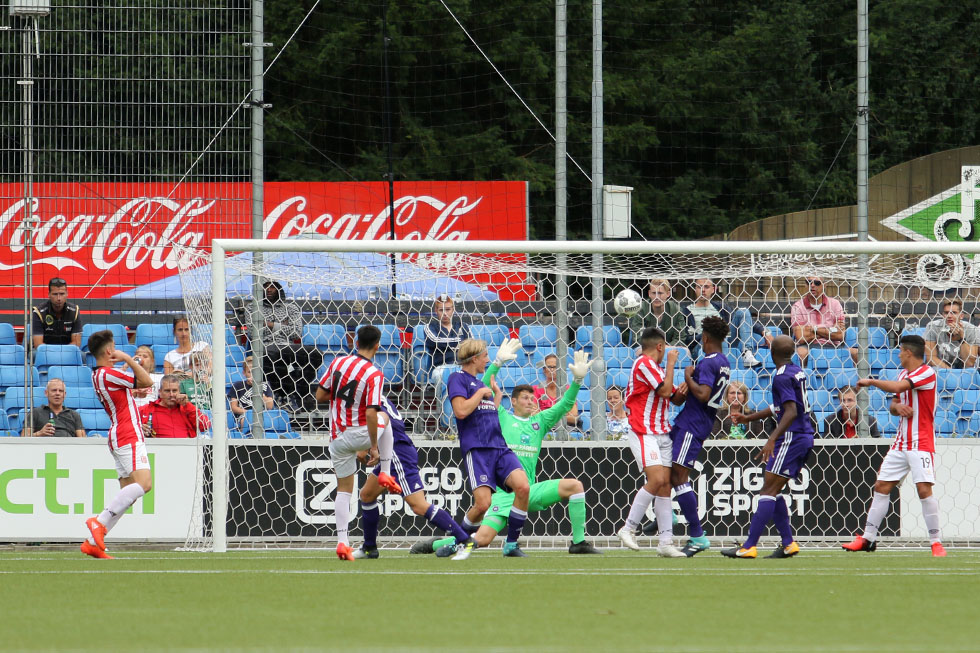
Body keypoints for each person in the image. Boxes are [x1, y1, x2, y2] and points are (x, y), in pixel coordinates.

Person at [429, 352, 601, 556]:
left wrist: (578, 381)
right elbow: (481, 386)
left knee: (575, 486)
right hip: (502, 496)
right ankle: (438, 544)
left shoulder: (541, 422)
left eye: (532, 398)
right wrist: (497, 364)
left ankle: (579, 542)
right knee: (483, 539)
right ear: (513, 402)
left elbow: (564, 406)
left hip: (528, 490)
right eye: (525, 398)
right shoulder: (499, 416)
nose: (530, 401)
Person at [842, 335, 947, 557]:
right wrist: (897, 408)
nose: (898, 355)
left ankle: (936, 543)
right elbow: (894, 403)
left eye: (900, 351)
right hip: (901, 442)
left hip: (921, 443)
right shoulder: (903, 373)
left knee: (923, 489)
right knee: (881, 486)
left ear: (909, 353)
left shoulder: (926, 373)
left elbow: (899, 387)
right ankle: (868, 539)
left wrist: (871, 381)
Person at [721, 335, 814, 559]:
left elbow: (790, 411)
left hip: (792, 437)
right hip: (802, 435)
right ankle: (788, 543)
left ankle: (749, 546)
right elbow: (780, 407)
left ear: (771, 352)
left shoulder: (781, 377)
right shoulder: (795, 371)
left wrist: (772, 438)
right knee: (774, 490)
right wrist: (749, 418)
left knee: (767, 491)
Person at [314, 325, 401, 561]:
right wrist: (373, 446)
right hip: (360, 431)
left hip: (337, 438)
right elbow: (372, 413)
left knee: (344, 490)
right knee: (386, 418)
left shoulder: (338, 363)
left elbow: (320, 396)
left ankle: (342, 542)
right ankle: (384, 472)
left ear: (355, 341)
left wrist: (340, 396)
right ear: (377, 345)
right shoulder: (374, 374)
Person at [355, 395, 475, 559]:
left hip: (397, 455)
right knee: (367, 495)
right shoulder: (375, 395)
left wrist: (365, 446)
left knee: (419, 505)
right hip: (393, 453)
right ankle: (369, 548)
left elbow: (379, 421)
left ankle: (464, 539)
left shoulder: (369, 398)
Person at [447, 337, 532, 557]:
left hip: (499, 447)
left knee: (523, 487)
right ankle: (459, 541)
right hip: (479, 450)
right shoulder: (457, 379)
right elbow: (461, 412)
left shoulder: (481, 384)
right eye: (485, 356)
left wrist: (497, 398)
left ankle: (511, 545)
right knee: (483, 505)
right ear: (474, 358)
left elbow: (484, 415)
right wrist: (479, 394)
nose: (487, 360)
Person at [81, 329, 153, 560]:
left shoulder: (99, 374)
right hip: (127, 433)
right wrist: (129, 359)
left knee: (127, 495)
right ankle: (98, 522)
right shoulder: (108, 374)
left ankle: (93, 543)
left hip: (118, 434)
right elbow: (148, 381)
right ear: (110, 351)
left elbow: (134, 386)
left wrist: (125, 371)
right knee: (144, 484)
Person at [616, 326, 688, 557]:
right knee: (657, 479)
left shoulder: (654, 369)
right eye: (665, 347)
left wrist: (686, 385)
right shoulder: (643, 364)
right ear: (660, 346)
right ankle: (628, 528)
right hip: (643, 430)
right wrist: (671, 363)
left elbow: (674, 398)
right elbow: (666, 391)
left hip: (662, 432)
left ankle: (665, 542)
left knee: (665, 485)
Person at [670, 316, 733, 556]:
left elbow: (704, 394)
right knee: (666, 470)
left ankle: (697, 535)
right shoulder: (724, 361)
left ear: (705, 337)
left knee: (678, 475)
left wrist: (687, 375)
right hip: (695, 421)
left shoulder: (707, 362)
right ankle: (668, 515)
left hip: (693, 424)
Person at [681, 278, 772, 368]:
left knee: (743, 312)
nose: (703, 290)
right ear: (695, 289)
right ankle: (722, 368)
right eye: (699, 287)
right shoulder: (687, 311)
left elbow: (744, 322)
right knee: (718, 334)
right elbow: (687, 340)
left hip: (726, 340)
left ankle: (747, 354)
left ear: (713, 289)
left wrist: (764, 331)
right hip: (703, 345)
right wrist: (710, 333)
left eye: (706, 287)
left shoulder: (721, 307)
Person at [262, 280, 319, 412]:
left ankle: (300, 391)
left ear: (279, 289)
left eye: (272, 287)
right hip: (265, 346)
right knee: (275, 356)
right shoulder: (253, 308)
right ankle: (285, 397)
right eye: (265, 287)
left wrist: (270, 324)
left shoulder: (291, 308)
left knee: (315, 354)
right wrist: (284, 324)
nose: (269, 290)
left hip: (288, 346)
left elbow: (296, 332)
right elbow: (253, 331)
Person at [790, 276, 857, 367]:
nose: (812, 285)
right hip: (808, 346)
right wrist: (830, 330)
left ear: (824, 285)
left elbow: (840, 334)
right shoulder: (797, 306)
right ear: (806, 285)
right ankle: (804, 380)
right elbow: (801, 337)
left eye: (817, 283)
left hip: (833, 345)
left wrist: (813, 328)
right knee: (801, 353)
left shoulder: (835, 304)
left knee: (857, 353)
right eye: (809, 282)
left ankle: (855, 380)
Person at [139, 374, 211, 439]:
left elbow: (205, 426)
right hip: (157, 450)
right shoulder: (146, 409)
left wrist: (187, 405)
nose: (171, 394)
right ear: (160, 392)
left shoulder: (187, 408)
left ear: (179, 391)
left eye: (174, 391)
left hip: (186, 449)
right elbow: (129, 427)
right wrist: (140, 428)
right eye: (167, 391)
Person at [628, 278, 686, 347]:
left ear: (668, 294)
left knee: (686, 351)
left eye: (660, 293)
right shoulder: (641, 309)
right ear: (649, 293)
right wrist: (655, 347)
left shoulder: (676, 310)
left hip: (669, 349)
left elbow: (680, 338)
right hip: (646, 349)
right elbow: (638, 337)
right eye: (654, 293)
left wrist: (665, 347)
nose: (656, 297)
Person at [923, 298, 980, 369]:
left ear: (961, 316)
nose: (949, 316)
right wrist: (950, 373)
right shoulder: (933, 327)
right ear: (943, 315)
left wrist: (961, 339)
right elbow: (931, 359)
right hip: (940, 371)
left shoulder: (972, 330)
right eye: (946, 313)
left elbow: (969, 363)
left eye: (954, 313)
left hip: (963, 372)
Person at [424, 293, 471, 377]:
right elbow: (436, 341)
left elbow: (472, 346)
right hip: (439, 368)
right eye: (441, 310)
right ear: (436, 310)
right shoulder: (429, 327)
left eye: (448, 309)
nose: (445, 313)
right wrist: (459, 342)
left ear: (453, 309)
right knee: (448, 375)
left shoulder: (463, 326)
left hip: (462, 367)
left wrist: (452, 344)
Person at [32, 277, 83, 349]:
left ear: (67, 294)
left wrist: (61, 352)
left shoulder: (74, 311)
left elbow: (76, 343)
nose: (59, 298)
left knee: (82, 356)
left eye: (62, 294)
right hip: (44, 352)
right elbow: (38, 344)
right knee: (33, 355)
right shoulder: (38, 312)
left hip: (67, 352)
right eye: (55, 294)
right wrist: (56, 353)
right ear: (49, 294)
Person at [533, 353, 580, 429]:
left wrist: (546, 415)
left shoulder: (568, 389)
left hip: (565, 427)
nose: (552, 370)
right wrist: (560, 416)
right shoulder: (536, 389)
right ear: (544, 370)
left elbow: (573, 418)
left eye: (555, 367)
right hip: (543, 427)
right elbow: (534, 415)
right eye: (549, 367)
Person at [227, 355, 274, 426]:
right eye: (249, 372)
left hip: (263, 414)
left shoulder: (265, 385)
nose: (253, 375)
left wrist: (258, 389)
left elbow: (270, 406)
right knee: (245, 421)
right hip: (244, 414)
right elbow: (233, 407)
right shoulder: (237, 385)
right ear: (244, 373)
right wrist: (249, 413)